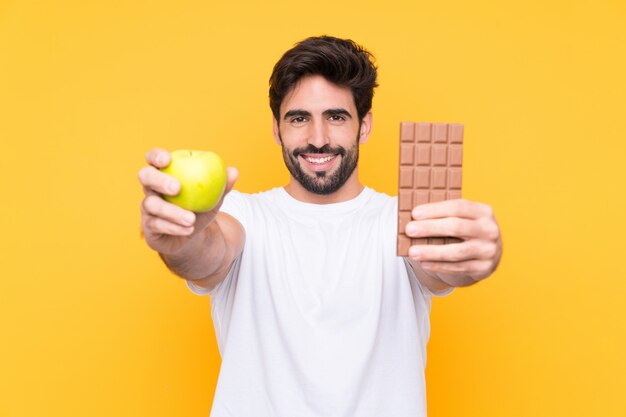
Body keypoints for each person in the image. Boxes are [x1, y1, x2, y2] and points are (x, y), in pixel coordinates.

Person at [138, 36, 502, 417]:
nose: (318, 139)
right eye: (299, 118)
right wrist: (183, 236)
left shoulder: (407, 221)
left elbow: (439, 265)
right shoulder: (242, 214)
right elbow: (207, 255)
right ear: (278, 130)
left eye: (336, 117)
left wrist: (474, 257)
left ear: (364, 126)